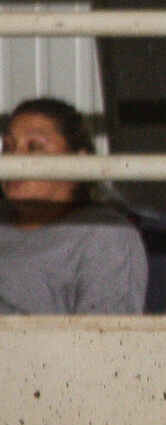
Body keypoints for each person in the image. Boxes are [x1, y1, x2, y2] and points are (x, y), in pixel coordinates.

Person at [0, 98, 145, 314]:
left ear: (78, 161)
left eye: (35, 147)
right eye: (8, 148)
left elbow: (104, 338)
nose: (14, 159)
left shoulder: (105, 235)